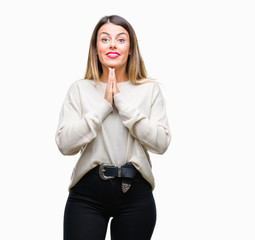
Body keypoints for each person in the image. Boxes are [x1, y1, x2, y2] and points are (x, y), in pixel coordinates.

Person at [55, 15, 171, 240]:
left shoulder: (150, 90)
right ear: (96, 47)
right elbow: (64, 145)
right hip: (87, 195)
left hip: (135, 195)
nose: (112, 45)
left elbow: (162, 144)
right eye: (105, 39)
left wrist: (122, 104)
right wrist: (104, 106)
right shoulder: (80, 89)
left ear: (130, 48)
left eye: (120, 40)